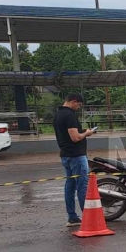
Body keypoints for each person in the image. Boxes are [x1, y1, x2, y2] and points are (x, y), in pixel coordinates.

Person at [53, 93, 94, 227]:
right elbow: (75, 137)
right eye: (79, 105)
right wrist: (86, 133)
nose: (78, 107)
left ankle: (72, 217)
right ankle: (88, 217)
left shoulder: (58, 114)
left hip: (65, 155)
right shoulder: (69, 115)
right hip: (76, 155)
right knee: (82, 186)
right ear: (74, 101)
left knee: (70, 186)